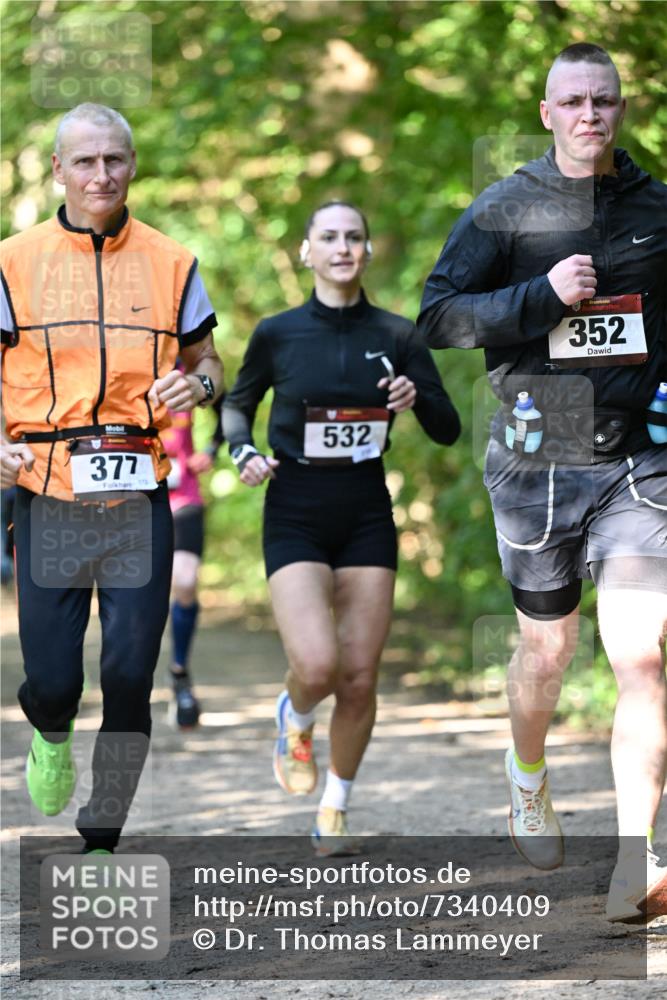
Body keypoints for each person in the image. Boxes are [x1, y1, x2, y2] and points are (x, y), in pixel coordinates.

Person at [418, 44, 666, 922]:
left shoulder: (656, 208)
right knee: (546, 652)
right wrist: (539, 297)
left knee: (639, 655)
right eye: (573, 101)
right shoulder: (504, 207)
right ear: (546, 111)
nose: (590, 114)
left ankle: (637, 860)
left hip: (639, 457)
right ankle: (527, 776)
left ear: (619, 109)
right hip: (537, 446)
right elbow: (437, 315)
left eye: (604, 100)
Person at [0, 103, 224, 854]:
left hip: (138, 490)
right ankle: (51, 730)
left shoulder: (171, 261)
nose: (103, 174)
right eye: (86, 161)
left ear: (133, 166)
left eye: (116, 160)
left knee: (130, 671)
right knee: (56, 682)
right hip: (50, 489)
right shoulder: (12, 260)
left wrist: (200, 388)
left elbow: (208, 363)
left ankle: (103, 834)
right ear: (59, 169)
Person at [224, 201, 460, 854]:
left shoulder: (397, 335)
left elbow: (447, 429)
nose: (341, 247)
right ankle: (294, 716)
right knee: (319, 664)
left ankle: (334, 805)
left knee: (359, 676)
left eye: (353, 236)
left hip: (364, 510)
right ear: (306, 251)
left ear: (367, 250)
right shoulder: (277, 333)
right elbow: (238, 404)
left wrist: (419, 399)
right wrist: (242, 452)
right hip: (294, 506)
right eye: (327, 237)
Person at [162, 390, 223, 728]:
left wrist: (212, 449)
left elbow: (231, 404)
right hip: (130, 497)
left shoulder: (187, 367)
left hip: (183, 496)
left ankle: (180, 674)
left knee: (185, 580)